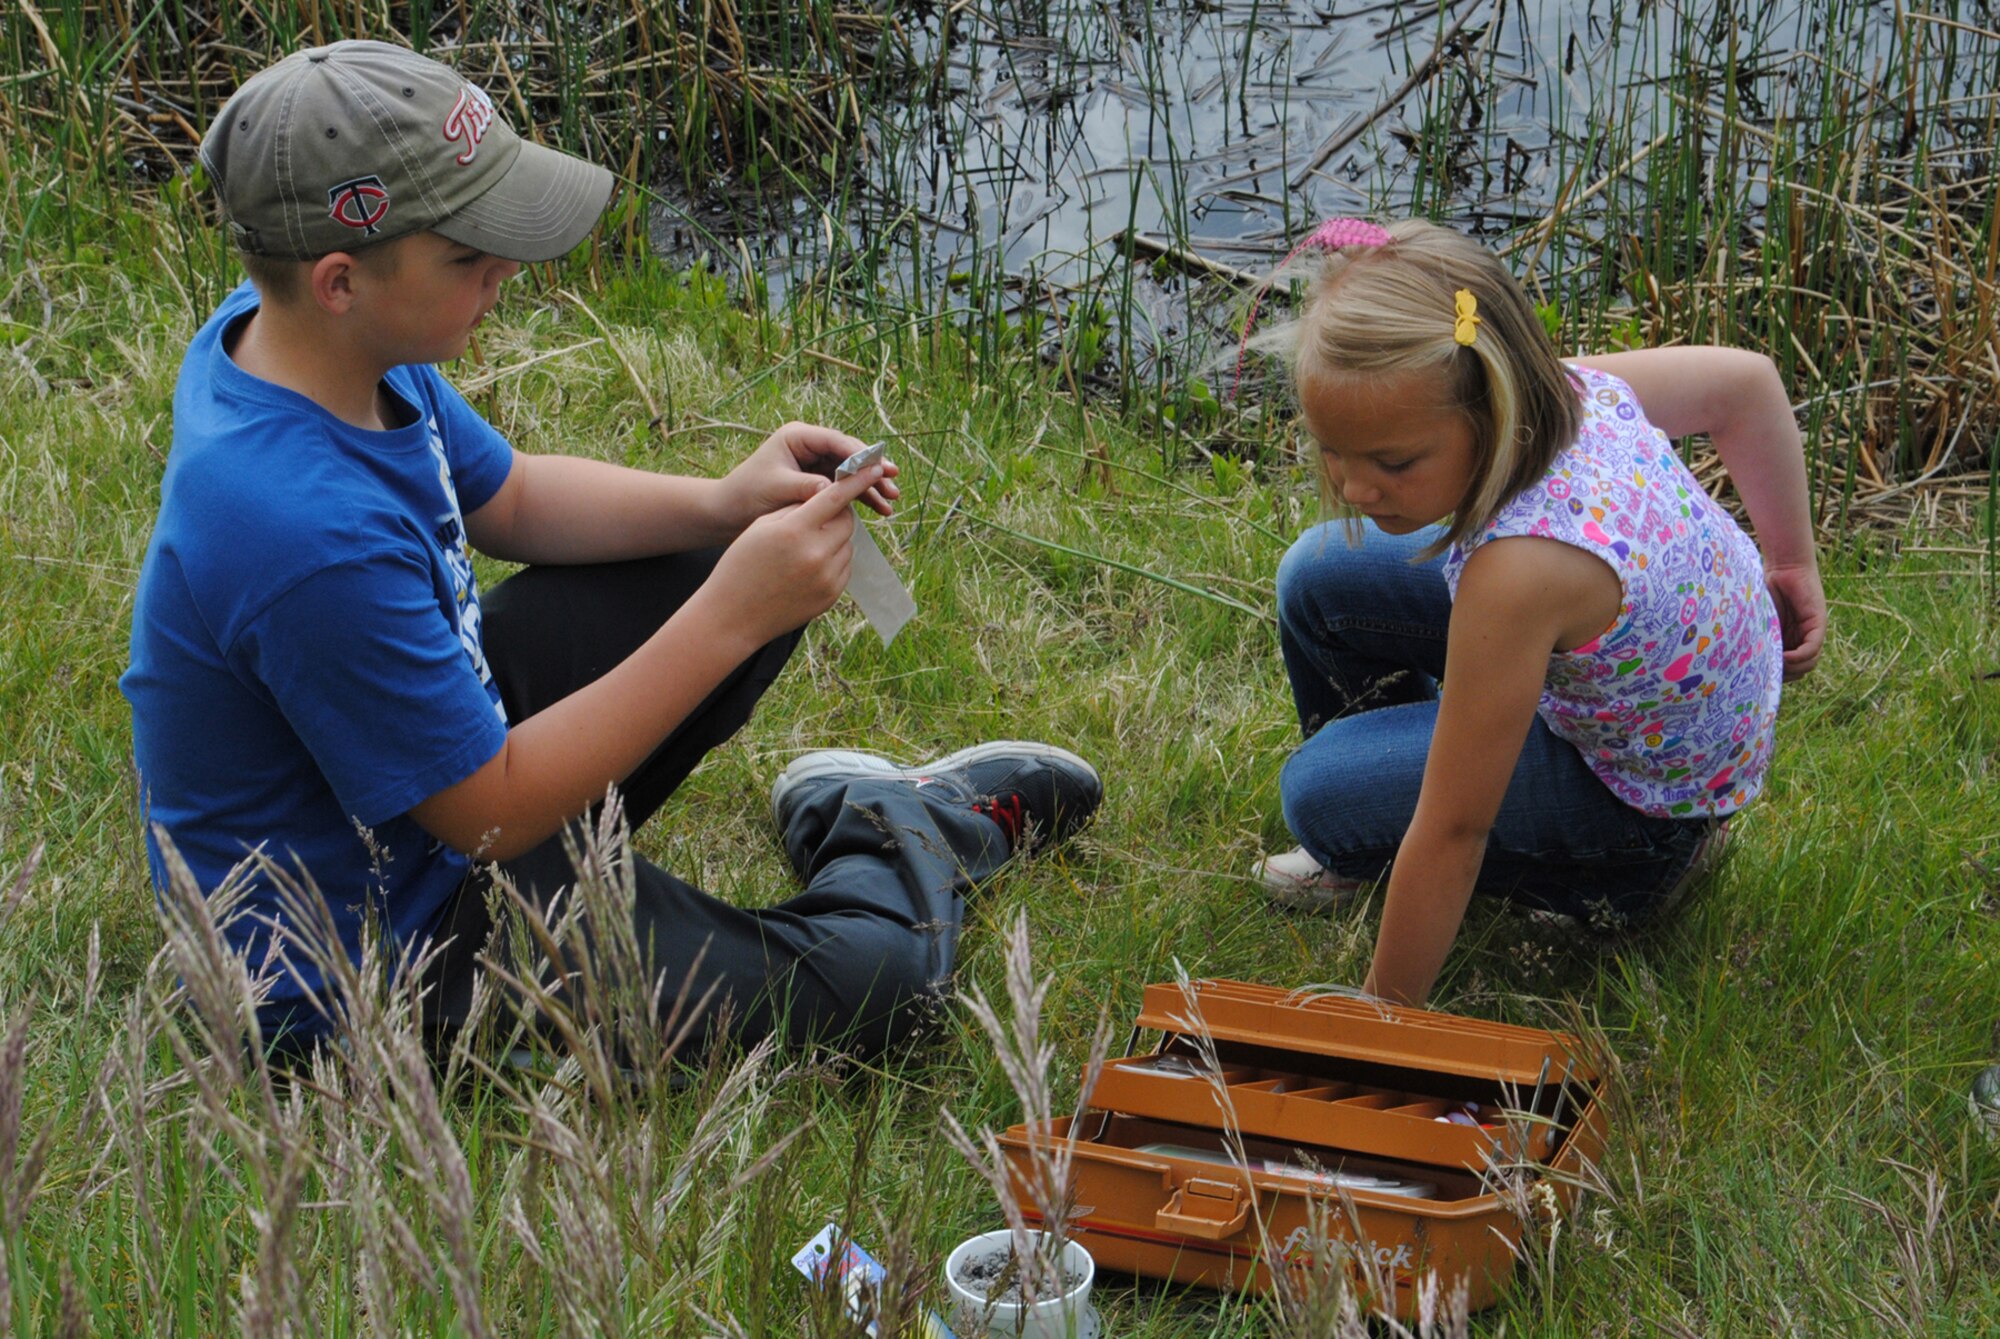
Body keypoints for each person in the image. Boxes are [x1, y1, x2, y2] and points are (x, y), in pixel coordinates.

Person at [121, 40, 1102, 1060]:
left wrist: (725, 506)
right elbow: (492, 818)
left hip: (415, 809)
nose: (505, 266)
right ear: (339, 280)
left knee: (699, 569)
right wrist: (732, 613)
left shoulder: (312, 344)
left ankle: (757, 812)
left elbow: (513, 494)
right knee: (879, 994)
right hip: (376, 959)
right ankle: (897, 825)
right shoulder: (298, 531)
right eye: (467, 252)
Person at [1247, 218, 1826, 1006]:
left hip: (1643, 810)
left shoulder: (1518, 573)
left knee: (1316, 793)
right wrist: (1790, 563)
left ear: (1488, 406)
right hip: (1671, 711)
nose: (1354, 487)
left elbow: (1456, 832)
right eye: (1334, 450)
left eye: (1393, 461)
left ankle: (1626, 884)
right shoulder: (1559, 384)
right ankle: (1380, 824)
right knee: (1316, 573)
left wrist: (1381, 1018)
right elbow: (1746, 384)